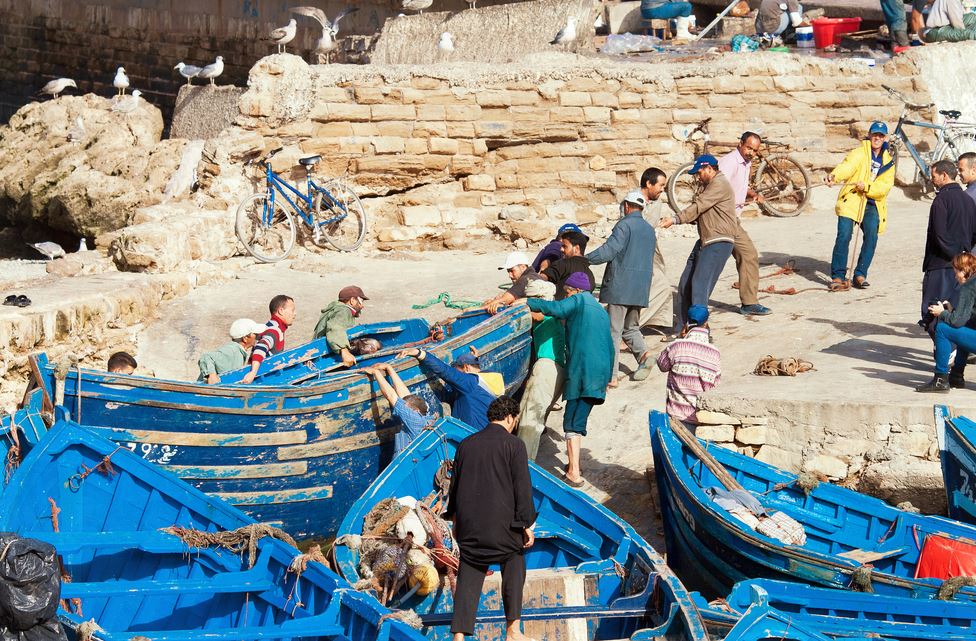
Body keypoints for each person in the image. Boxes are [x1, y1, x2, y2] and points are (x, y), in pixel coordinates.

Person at [445, 396, 535, 641]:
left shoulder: (466, 444)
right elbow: (522, 488)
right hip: (502, 532)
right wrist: (526, 524)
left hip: (469, 529)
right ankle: (513, 631)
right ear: (510, 417)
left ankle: (459, 636)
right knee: (514, 559)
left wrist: (455, 522)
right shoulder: (514, 445)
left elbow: (455, 487)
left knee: (470, 566)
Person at [524, 272, 613, 487]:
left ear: (576, 290)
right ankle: (574, 466)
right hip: (599, 375)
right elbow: (611, 347)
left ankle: (574, 473)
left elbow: (556, 309)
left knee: (572, 422)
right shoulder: (601, 311)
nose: (566, 296)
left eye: (567, 292)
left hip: (583, 373)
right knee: (578, 419)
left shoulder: (579, 300)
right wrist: (607, 377)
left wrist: (527, 302)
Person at [660, 155, 738, 332]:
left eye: (700, 172)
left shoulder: (719, 184)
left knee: (699, 285)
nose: (698, 176)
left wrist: (675, 219)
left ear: (709, 168)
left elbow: (699, 206)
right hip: (705, 240)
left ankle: (700, 329)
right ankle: (682, 328)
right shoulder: (709, 186)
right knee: (685, 284)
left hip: (718, 241)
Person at [586, 191, 656, 384]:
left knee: (613, 332)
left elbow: (609, 251)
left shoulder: (624, 225)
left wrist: (585, 260)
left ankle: (611, 376)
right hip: (640, 289)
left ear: (626, 206)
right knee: (630, 327)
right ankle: (644, 355)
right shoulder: (649, 230)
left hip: (620, 287)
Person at [824, 122, 896, 292]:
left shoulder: (888, 162)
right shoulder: (859, 153)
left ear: (884, 138)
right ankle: (838, 276)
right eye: (875, 134)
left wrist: (868, 187)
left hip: (872, 203)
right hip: (852, 199)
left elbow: (885, 187)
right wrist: (834, 176)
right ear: (869, 135)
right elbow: (847, 167)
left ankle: (860, 274)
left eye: (881, 135)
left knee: (871, 237)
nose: (877, 138)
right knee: (844, 236)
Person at [717, 132, 772, 316]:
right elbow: (717, 187)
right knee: (712, 261)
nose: (751, 153)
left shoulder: (746, 163)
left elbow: (738, 185)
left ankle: (749, 303)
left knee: (747, 255)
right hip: (723, 218)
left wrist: (752, 194)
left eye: (755, 150)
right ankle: (693, 303)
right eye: (749, 148)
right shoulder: (729, 162)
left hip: (732, 218)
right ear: (740, 144)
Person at [920, 160, 976, 332]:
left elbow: (939, 235)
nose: (931, 179)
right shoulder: (968, 200)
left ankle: (945, 346)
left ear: (944, 175)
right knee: (954, 309)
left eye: (934, 175)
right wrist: (962, 256)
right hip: (962, 266)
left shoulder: (941, 200)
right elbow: (974, 234)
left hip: (941, 265)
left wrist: (954, 256)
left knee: (932, 312)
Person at [517, 279, 566, 461]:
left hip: (546, 367)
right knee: (534, 417)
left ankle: (523, 463)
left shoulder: (546, 314)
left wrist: (515, 305)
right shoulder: (556, 313)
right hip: (557, 369)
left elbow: (534, 316)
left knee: (529, 420)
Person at [396, 347, 499, 429]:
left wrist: (419, 353)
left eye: (456, 370)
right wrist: (473, 358)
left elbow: (445, 371)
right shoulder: (487, 379)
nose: (456, 374)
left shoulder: (469, 382)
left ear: (466, 367)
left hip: (472, 437)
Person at [917, 252, 976, 393]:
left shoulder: (969, 287)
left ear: (964, 271)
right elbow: (966, 317)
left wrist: (941, 313)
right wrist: (951, 310)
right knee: (965, 327)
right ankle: (956, 376)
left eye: (956, 273)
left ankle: (940, 379)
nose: (955, 277)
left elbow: (956, 321)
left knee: (942, 329)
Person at [655, 305, 721, 428]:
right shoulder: (714, 353)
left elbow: (661, 365)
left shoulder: (676, 346)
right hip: (702, 419)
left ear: (687, 323)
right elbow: (715, 385)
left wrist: (681, 338)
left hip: (676, 417)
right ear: (706, 323)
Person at [363, 362, 436, 454]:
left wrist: (375, 372)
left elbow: (391, 396)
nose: (403, 407)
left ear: (416, 410)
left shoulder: (415, 421)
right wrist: (389, 368)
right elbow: (406, 397)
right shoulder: (423, 415)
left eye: (405, 407)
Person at [638, 167, 673, 331]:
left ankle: (657, 321)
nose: (663, 189)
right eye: (661, 185)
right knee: (661, 286)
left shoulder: (657, 201)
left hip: (651, 247)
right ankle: (631, 327)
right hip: (637, 250)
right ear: (648, 184)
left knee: (660, 283)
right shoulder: (633, 201)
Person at [243, 294, 295, 384]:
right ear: (281, 311)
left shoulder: (274, 327)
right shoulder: (273, 331)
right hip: (261, 380)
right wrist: (253, 372)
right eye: (292, 310)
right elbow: (261, 348)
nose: (294, 314)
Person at [313, 285, 368, 368]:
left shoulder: (337, 308)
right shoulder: (343, 311)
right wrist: (344, 352)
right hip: (323, 354)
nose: (362, 306)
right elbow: (335, 329)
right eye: (361, 302)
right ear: (352, 300)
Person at [197, 318, 265, 384]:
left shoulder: (239, 351)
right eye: (256, 334)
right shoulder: (232, 350)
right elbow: (206, 357)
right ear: (245, 338)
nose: (258, 337)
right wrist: (212, 375)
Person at [540, 230, 595, 299]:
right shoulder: (590, 275)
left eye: (564, 246)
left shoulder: (563, 264)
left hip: (559, 305)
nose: (561, 249)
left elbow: (542, 278)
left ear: (576, 248)